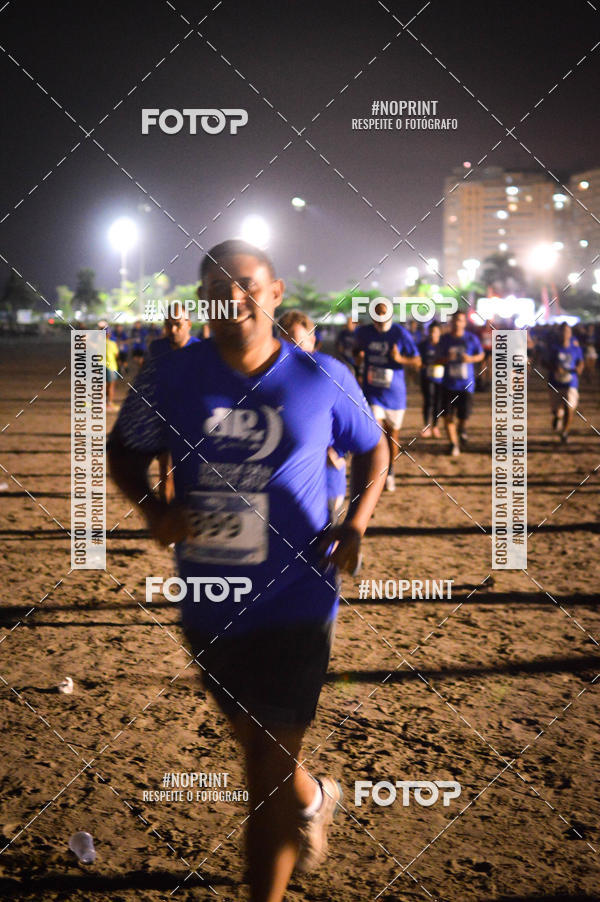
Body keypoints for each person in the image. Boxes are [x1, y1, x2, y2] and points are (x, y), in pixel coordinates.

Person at [108, 239, 388, 902]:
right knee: (263, 753)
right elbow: (122, 453)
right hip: (209, 601)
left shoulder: (320, 377)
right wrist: (153, 509)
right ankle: (316, 797)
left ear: (276, 291)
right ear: (200, 299)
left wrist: (356, 524)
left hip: (299, 599)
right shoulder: (170, 376)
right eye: (215, 287)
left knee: (263, 765)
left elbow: (377, 452)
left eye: (246, 283)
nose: (232, 297)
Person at [277, 310, 348, 526]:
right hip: (282, 488)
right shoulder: (269, 381)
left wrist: (334, 450)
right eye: (286, 344)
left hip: (325, 482)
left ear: (313, 341)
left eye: (298, 344)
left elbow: (358, 433)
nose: (292, 351)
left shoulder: (330, 377)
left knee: (325, 545)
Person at [354, 302, 420, 491]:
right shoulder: (364, 333)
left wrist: (400, 360)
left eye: (384, 313)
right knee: (377, 431)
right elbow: (356, 353)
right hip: (372, 391)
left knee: (392, 436)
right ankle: (376, 472)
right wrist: (358, 357)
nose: (381, 316)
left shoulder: (400, 334)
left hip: (395, 394)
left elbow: (417, 360)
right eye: (377, 313)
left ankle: (390, 471)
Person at [147, 302, 201, 501]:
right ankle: (167, 519)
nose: (172, 329)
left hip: (194, 422)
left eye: (177, 324)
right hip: (164, 418)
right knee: (165, 469)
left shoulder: (200, 350)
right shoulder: (157, 348)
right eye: (168, 324)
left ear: (188, 324)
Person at [436, 311, 484, 457]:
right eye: (455, 320)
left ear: (464, 323)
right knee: (448, 416)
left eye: (460, 320)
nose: (457, 323)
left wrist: (470, 359)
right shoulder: (444, 340)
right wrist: (446, 359)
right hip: (448, 384)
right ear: (452, 322)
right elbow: (436, 360)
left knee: (464, 416)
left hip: (466, 385)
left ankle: (462, 429)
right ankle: (453, 444)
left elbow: (481, 355)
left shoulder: (471, 339)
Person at [547, 322, 584, 443]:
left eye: (568, 331)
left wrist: (579, 368)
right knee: (556, 409)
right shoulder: (553, 347)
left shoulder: (575, 347)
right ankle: (558, 416)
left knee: (569, 407)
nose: (565, 334)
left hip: (571, 382)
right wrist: (554, 367)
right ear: (559, 333)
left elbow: (580, 361)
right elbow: (544, 362)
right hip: (555, 382)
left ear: (570, 333)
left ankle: (565, 432)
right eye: (563, 331)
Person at [418, 322, 444, 438]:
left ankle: (435, 426)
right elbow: (417, 360)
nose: (433, 334)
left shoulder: (443, 346)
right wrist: (421, 365)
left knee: (438, 402)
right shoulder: (422, 346)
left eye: (435, 332)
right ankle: (426, 427)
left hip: (441, 378)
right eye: (431, 332)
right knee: (428, 401)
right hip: (426, 377)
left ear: (439, 333)